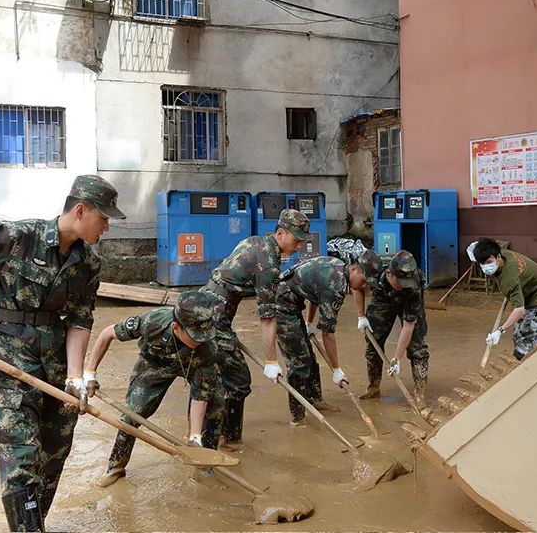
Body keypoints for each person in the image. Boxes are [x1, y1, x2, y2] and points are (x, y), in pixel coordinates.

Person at [0, 174, 125, 532]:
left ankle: (33, 524)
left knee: (55, 450)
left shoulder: (89, 263)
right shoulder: (19, 237)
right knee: (21, 450)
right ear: (81, 210)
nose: (108, 226)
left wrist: (76, 376)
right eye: (105, 217)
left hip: (57, 363)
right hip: (9, 359)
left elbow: (80, 319)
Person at [88, 290, 223, 487]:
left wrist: (194, 436)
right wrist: (89, 373)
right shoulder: (153, 322)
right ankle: (116, 467)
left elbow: (200, 394)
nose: (200, 340)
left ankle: (204, 469)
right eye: (195, 336)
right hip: (155, 364)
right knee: (132, 415)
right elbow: (107, 333)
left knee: (216, 407)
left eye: (203, 335)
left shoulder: (208, 346)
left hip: (194, 366)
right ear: (176, 328)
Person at [202, 208, 311, 450]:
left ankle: (210, 436)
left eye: (302, 240)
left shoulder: (254, 241)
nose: (300, 246)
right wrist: (271, 361)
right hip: (215, 316)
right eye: (296, 239)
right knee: (238, 380)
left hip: (207, 305)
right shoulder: (269, 266)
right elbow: (267, 318)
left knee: (214, 376)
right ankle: (228, 441)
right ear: (281, 233)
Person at [275, 250, 384, 425]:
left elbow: (315, 295)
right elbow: (328, 333)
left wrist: (309, 323)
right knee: (299, 363)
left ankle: (315, 399)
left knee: (309, 357)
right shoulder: (336, 286)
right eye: (364, 281)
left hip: (293, 299)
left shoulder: (338, 267)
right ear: (354, 269)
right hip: (280, 304)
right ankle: (298, 417)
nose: (364, 287)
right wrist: (336, 370)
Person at [355, 250, 430, 409]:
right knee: (373, 341)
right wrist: (361, 316)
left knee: (418, 348)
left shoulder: (413, 287)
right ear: (389, 274)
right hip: (383, 299)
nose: (404, 285)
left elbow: (408, 325)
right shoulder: (372, 266)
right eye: (401, 281)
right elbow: (357, 285)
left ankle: (419, 392)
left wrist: (396, 358)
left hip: (408, 301)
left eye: (406, 282)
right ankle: (373, 386)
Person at [466, 238, 537, 360]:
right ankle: (532, 359)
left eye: (488, 262)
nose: (485, 267)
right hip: (526, 292)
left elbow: (519, 310)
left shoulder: (509, 279)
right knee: (518, 334)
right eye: (481, 263)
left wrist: (500, 331)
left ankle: (518, 366)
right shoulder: (501, 253)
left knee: (527, 336)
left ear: (498, 257)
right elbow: (477, 249)